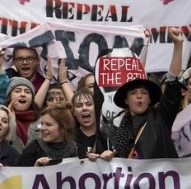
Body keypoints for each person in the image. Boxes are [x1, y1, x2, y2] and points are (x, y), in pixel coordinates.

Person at [107, 27, 184, 159]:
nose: (139, 96)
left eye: (144, 93)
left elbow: (173, 85)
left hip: (161, 178)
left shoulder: (160, 118)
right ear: (126, 100)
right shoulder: (116, 125)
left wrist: (178, 45)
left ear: (150, 99)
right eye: (133, 93)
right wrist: (106, 156)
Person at [18, 103, 83, 166]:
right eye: (42, 124)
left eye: (48, 125)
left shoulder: (78, 150)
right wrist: (36, 168)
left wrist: (92, 161)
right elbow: (21, 174)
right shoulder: (34, 148)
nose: (42, 128)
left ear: (63, 127)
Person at [71, 89, 112, 161]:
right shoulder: (69, 137)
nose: (84, 108)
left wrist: (110, 155)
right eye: (79, 106)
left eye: (89, 104)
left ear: (97, 108)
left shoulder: (108, 135)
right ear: (74, 111)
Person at [4, 77, 41, 152]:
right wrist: (9, 121)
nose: (23, 95)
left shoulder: (42, 121)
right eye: (17, 91)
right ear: (9, 96)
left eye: (27, 92)